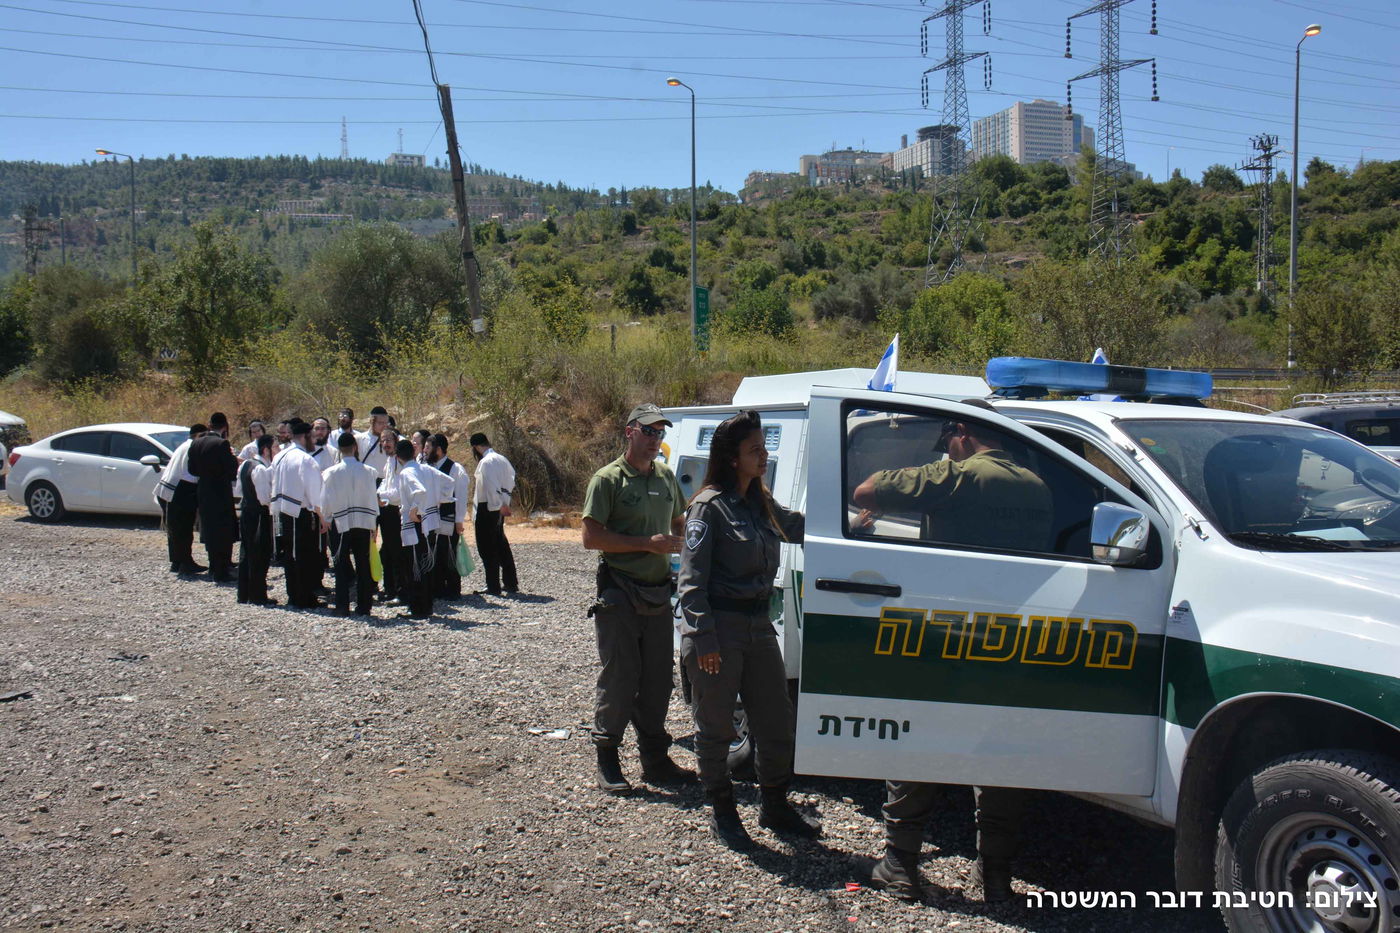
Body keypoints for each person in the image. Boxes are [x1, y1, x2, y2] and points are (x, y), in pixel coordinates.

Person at [850, 398, 1052, 903]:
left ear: (961, 432)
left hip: (950, 636)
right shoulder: (1037, 486)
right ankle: (997, 877)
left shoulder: (960, 477)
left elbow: (868, 489)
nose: (949, 453)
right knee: (1000, 757)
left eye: (948, 444)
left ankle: (900, 863)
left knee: (919, 741)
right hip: (1012, 638)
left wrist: (938, 468)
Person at [678, 410, 819, 849]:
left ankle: (774, 805)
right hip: (719, 629)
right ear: (733, 458)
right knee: (715, 726)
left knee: (776, 723)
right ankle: (723, 810)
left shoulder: (761, 500)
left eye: (764, 447)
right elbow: (690, 584)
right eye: (755, 449)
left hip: (759, 626)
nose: (764, 455)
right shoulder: (708, 507)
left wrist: (851, 523)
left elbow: (795, 527)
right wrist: (703, 640)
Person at [581, 404, 693, 793]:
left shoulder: (664, 475)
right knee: (620, 676)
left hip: (659, 591)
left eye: (659, 432)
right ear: (629, 432)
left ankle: (655, 759)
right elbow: (591, 537)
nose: (654, 438)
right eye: (647, 431)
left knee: (659, 679)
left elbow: (680, 519)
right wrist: (648, 544)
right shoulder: (608, 479)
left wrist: (681, 543)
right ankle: (607, 757)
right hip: (619, 590)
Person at [321, 431, 380, 617]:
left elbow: (326, 500)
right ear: (355, 448)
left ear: (339, 449)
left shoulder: (330, 473)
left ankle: (342, 607)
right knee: (363, 564)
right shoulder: (370, 472)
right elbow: (373, 499)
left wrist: (326, 518)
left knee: (340, 564)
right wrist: (373, 524)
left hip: (341, 522)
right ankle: (364, 607)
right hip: (363, 522)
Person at [270, 420, 326, 610]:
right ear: (304, 436)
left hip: (284, 510)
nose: (314, 441)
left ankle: (294, 594)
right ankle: (302, 597)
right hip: (300, 512)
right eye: (311, 437)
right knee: (302, 555)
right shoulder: (305, 459)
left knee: (291, 554)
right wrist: (321, 515)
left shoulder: (280, 455)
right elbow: (314, 491)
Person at [188, 413, 240, 582]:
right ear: (224, 427)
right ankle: (222, 569)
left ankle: (212, 565)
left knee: (209, 528)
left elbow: (192, 470)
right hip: (220, 490)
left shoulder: (196, 442)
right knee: (223, 530)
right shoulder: (222, 443)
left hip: (203, 490)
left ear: (209, 425)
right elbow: (232, 470)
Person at [470, 432, 518, 597]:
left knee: (486, 547)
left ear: (475, 447)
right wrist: (505, 501)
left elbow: (491, 486)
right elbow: (510, 481)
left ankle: (493, 585)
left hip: (488, 507)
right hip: (498, 505)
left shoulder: (486, 462)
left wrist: (498, 504)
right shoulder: (502, 459)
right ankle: (510, 582)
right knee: (500, 543)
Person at [392, 438, 435, 619]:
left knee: (414, 566)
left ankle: (417, 608)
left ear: (397, 455)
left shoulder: (406, 472)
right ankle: (426, 605)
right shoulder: (424, 469)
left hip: (414, 525)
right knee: (424, 564)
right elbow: (447, 484)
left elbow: (420, 491)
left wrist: (415, 509)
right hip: (427, 523)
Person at [155, 423, 207, 575]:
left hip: (168, 489)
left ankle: (177, 561)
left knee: (175, 529)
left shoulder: (185, 445)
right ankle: (185, 562)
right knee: (183, 529)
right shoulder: (193, 447)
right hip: (179, 490)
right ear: (198, 435)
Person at [426, 433, 471, 600]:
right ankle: (437, 588)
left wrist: (459, 520)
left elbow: (460, 496)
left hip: (448, 519)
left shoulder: (455, 469)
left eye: (428, 447)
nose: (424, 451)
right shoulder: (428, 467)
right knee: (435, 554)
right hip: (432, 519)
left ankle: (453, 590)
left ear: (438, 450)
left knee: (449, 554)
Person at [236, 434, 277, 606]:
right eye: (275, 447)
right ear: (266, 449)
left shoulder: (245, 464)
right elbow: (264, 498)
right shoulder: (260, 469)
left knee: (246, 552)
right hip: (258, 514)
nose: (278, 450)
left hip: (246, 511)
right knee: (259, 554)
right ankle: (257, 595)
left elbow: (238, 490)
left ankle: (244, 593)